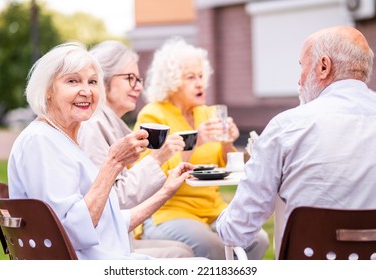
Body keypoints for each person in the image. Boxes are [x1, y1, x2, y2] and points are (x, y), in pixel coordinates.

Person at [7, 42, 195, 260]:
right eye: (73, 81)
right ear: (48, 91)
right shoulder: (41, 142)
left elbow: (110, 222)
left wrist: (166, 191)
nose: (86, 91)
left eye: (93, 82)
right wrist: (113, 162)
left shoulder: (63, 139)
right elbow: (70, 233)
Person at [216, 25, 376, 258]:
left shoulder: (287, 128)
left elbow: (236, 232)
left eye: (302, 66)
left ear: (323, 66)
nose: (299, 80)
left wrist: (222, 220)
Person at [133, 37, 269, 259]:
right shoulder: (153, 115)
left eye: (201, 76)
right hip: (170, 211)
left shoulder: (206, 113)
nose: (200, 83)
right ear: (172, 81)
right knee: (213, 247)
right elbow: (152, 173)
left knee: (257, 239)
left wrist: (227, 141)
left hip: (212, 208)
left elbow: (227, 166)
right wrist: (197, 141)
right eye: (190, 77)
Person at [78, 40, 194, 258]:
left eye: (139, 79)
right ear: (103, 79)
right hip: (101, 248)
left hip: (113, 239)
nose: (139, 86)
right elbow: (113, 202)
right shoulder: (92, 128)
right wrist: (159, 159)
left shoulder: (107, 124)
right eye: (130, 78)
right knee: (184, 255)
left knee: (183, 251)